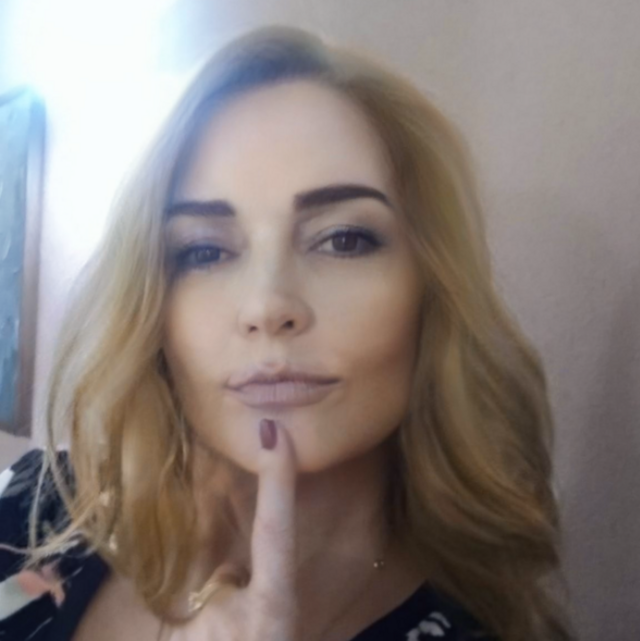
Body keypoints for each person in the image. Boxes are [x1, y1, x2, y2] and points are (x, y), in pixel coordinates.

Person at [0, 24, 575, 641]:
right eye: (204, 252)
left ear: (431, 293)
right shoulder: (44, 511)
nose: (268, 305)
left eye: (344, 240)